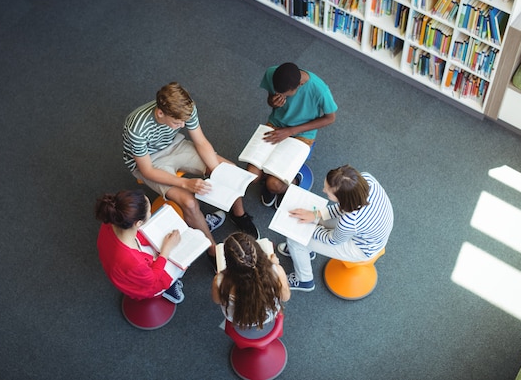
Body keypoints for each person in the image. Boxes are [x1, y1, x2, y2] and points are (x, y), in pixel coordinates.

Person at [122, 82, 259, 258]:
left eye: (183, 122)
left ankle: (238, 214)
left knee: (229, 170)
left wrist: (219, 171)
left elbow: (200, 141)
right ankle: (212, 251)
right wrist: (185, 183)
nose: (182, 126)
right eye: (177, 122)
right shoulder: (137, 128)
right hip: (149, 161)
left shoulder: (187, 108)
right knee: (189, 202)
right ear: (160, 113)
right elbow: (147, 170)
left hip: (175, 145)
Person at [278, 165, 394, 292]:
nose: (323, 190)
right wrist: (315, 215)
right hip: (372, 229)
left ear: (343, 199)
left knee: (295, 239)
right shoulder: (366, 180)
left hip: (361, 248)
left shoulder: (350, 220)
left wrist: (310, 227)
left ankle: (304, 280)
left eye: (328, 191)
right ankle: (306, 251)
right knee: (317, 223)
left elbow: (332, 240)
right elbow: (343, 208)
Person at [247, 62, 338, 208]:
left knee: (274, 185)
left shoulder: (320, 90)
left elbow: (330, 118)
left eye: (286, 95)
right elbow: (270, 100)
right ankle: (275, 176)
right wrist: (273, 102)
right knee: (252, 176)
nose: (283, 96)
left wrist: (291, 131)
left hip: (303, 133)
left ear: (300, 84)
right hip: (277, 123)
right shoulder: (272, 73)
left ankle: (294, 180)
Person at [95, 189, 186, 303]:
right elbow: (153, 279)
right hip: (142, 284)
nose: (150, 213)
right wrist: (166, 249)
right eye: (149, 212)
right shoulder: (134, 261)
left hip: (116, 267)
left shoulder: (111, 220)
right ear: (138, 223)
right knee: (182, 258)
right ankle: (168, 289)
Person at [212, 232, 291, 339]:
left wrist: (220, 277)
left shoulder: (220, 280)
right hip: (268, 317)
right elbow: (286, 297)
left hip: (238, 319)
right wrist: (275, 265)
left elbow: (217, 300)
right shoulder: (275, 272)